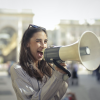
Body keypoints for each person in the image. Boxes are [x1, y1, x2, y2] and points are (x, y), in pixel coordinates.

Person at [10, 24, 68, 100]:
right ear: (27, 43)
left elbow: (56, 96)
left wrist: (62, 76)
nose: (43, 45)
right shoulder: (17, 69)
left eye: (45, 41)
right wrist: (56, 77)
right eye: (38, 41)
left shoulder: (48, 67)